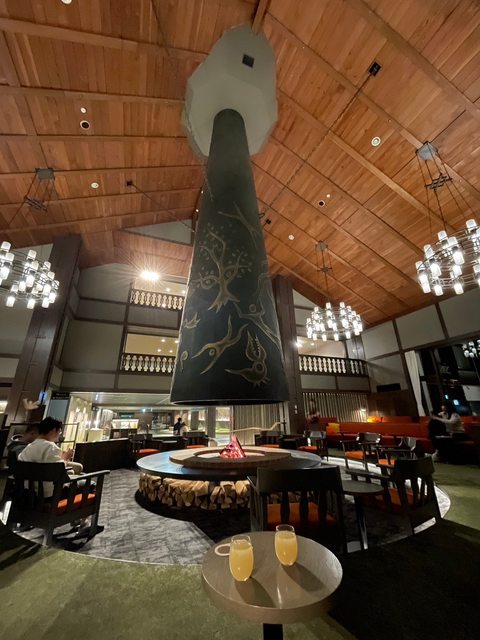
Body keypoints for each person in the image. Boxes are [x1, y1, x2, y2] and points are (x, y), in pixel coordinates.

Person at [18, 417, 83, 496]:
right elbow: (57, 473)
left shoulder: (28, 447)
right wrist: (65, 458)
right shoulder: (52, 447)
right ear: (54, 430)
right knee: (87, 482)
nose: (60, 434)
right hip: (48, 493)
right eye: (60, 432)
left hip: (27, 491)